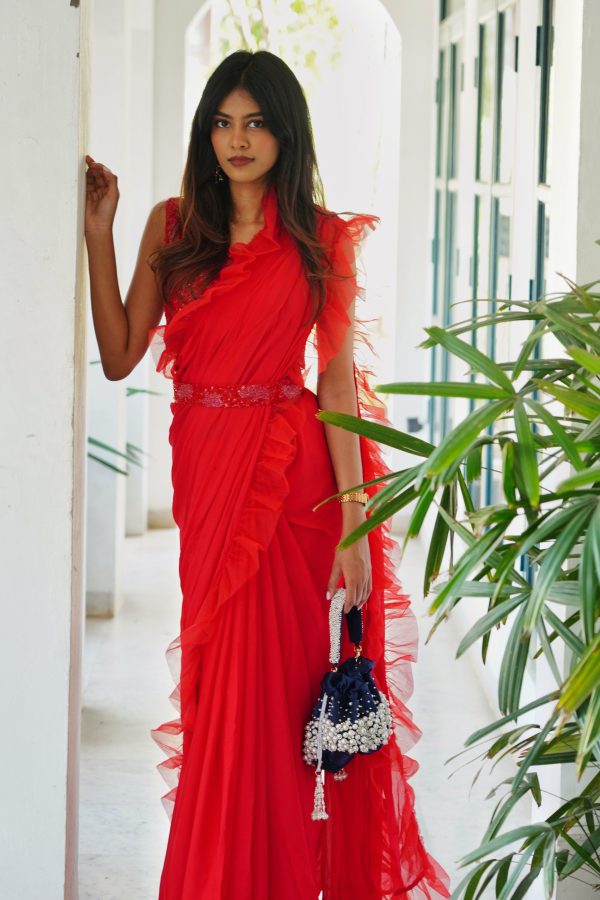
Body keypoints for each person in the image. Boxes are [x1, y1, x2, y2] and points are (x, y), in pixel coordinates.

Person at [84, 48, 451, 900]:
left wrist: (356, 528)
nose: (237, 140)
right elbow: (117, 355)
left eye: (254, 122)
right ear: (204, 131)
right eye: (221, 121)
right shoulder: (174, 225)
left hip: (295, 493)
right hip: (208, 469)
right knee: (222, 692)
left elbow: (333, 382)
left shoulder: (322, 239)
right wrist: (100, 235)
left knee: (285, 703)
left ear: (286, 132)